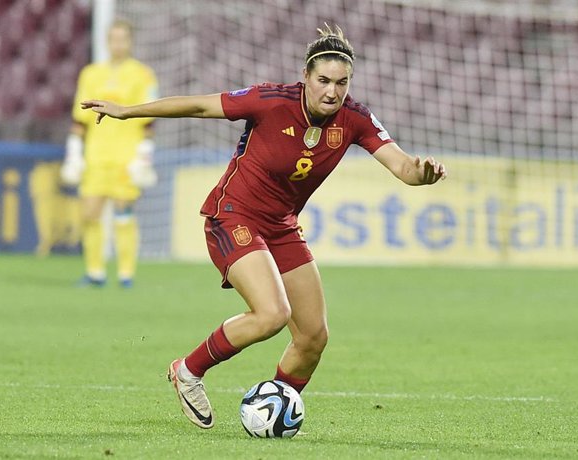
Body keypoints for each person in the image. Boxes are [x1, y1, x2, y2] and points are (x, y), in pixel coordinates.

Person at [81, 24, 446, 428]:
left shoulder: (355, 118)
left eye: (341, 83)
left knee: (313, 337)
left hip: (282, 227)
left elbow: (403, 167)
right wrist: (127, 111)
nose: (331, 91)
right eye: (323, 80)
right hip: (233, 215)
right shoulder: (270, 101)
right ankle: (188, 371)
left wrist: (421, 173)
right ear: (305, 77)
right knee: (272, 314)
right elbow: (201, 107)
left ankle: (271, 410)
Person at [60, 19, 159, 288]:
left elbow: (149, 119)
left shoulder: (143, 75)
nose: (118, 44)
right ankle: (95, 273)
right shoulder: (91, 74)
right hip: (96, 155)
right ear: (107, 41)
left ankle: (126, 274)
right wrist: (74, 152)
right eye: (113, 38)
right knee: (90, 213)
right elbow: (80, 118)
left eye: (123, 39)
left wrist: (144, 154)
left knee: (123, 211)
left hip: (126, 156)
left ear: (130, 41)